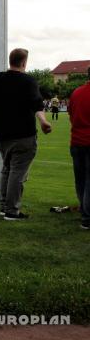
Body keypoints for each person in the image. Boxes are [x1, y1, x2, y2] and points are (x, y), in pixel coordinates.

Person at [0, 48, 52, 221]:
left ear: (10, 60)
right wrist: (43, 121)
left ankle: (3, 205)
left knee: (7, 169)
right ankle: (11, 211)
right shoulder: (28, 82)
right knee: (17, 173)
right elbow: (37, 104)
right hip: (23, 134)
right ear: (24, 62)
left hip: (1, 133)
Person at [68, 67, 90, 230]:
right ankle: (87, 217)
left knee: (80, 179)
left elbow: (71, 114)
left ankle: (84, 210)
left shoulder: (76, 92)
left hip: (76, 141)